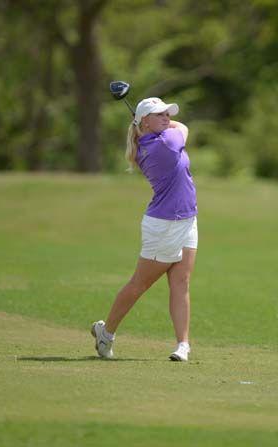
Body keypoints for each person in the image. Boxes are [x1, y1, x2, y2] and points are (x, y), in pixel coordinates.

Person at [91, 97, 198, 362]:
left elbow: (174, 125)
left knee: (181, 282)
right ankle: (107, 333)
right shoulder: (166, 145)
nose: (166, 117)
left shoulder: (151, 141)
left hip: (186, 219)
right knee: (139, 285)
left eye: (166, 113)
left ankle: (183, 345)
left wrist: (151, 123)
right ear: (144, 122)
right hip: (164, 225)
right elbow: (183, 127)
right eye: (158, 114)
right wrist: (166, 124)